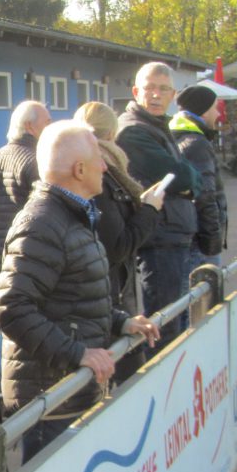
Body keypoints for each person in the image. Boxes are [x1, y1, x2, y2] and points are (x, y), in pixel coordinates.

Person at [0, 121, 159, 461]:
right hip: (51, 397)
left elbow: (75, 294)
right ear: (79, 169)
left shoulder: (73, 215)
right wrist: (76, 353)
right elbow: (12, 308)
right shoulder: (42, 222)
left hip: (70, 389)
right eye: (99, 158)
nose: (105, 167)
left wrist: (121, 322)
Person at [74, 103, 165, 381]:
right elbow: (117, 246)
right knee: (123, 379)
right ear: (113, 133)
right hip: (109, 296)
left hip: (112, 299)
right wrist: (149, 210)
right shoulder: (102, 178)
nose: (101, 165)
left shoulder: (110, 171)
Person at [115, 62, 201, 351]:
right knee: (163, 322)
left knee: (175, 315)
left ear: (173, 95)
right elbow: (180, 176)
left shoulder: (158, 126)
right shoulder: (133, 131)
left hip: (172, 232)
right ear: (136, 91)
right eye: (149, 88)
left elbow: (188, 176)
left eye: (163, 89)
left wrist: (187, 180)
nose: (156, 95)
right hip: (159, 236)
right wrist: (187, 181)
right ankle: (161, 373)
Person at [0, 100, 52, 284]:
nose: (50, 128)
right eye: (47, 123)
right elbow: (48, 214)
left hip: (0, 262)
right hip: (32, 259)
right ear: (29, 126)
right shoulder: (38, 162)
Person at [170, 84, 226, 267]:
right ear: (204, 111)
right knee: (205, 284)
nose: (218, 114)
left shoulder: (178, 135)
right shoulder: (197, 144)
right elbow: (205, 196)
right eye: (215, 108)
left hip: (188, 235)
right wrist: (213, 244)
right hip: (198, 243)